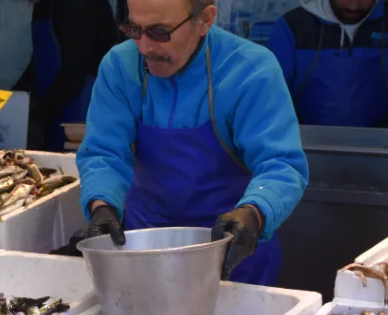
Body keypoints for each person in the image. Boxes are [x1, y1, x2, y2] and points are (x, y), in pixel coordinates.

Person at [78, 0, 310, 285]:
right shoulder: (120, 66)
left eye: (160, 32)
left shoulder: (251, 70)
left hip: (232, 251)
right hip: (144, 247)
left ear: (205, 19)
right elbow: (104, 152)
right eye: (134, 29)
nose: (144, 48)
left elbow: (281, 164)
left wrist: (255, 212)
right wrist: (103, 204)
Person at [13, 0, 117, 151]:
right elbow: (40, 61)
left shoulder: (79, 5)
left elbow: (75, 71)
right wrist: (10, 99)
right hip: (55, 106)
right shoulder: (44, 6)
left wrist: (37, 112)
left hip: (83, 110)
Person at [267, 0, 387, 127]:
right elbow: (270, 99)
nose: (353, 7)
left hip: (381, 143)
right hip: (305, 141)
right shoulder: (292, 27)